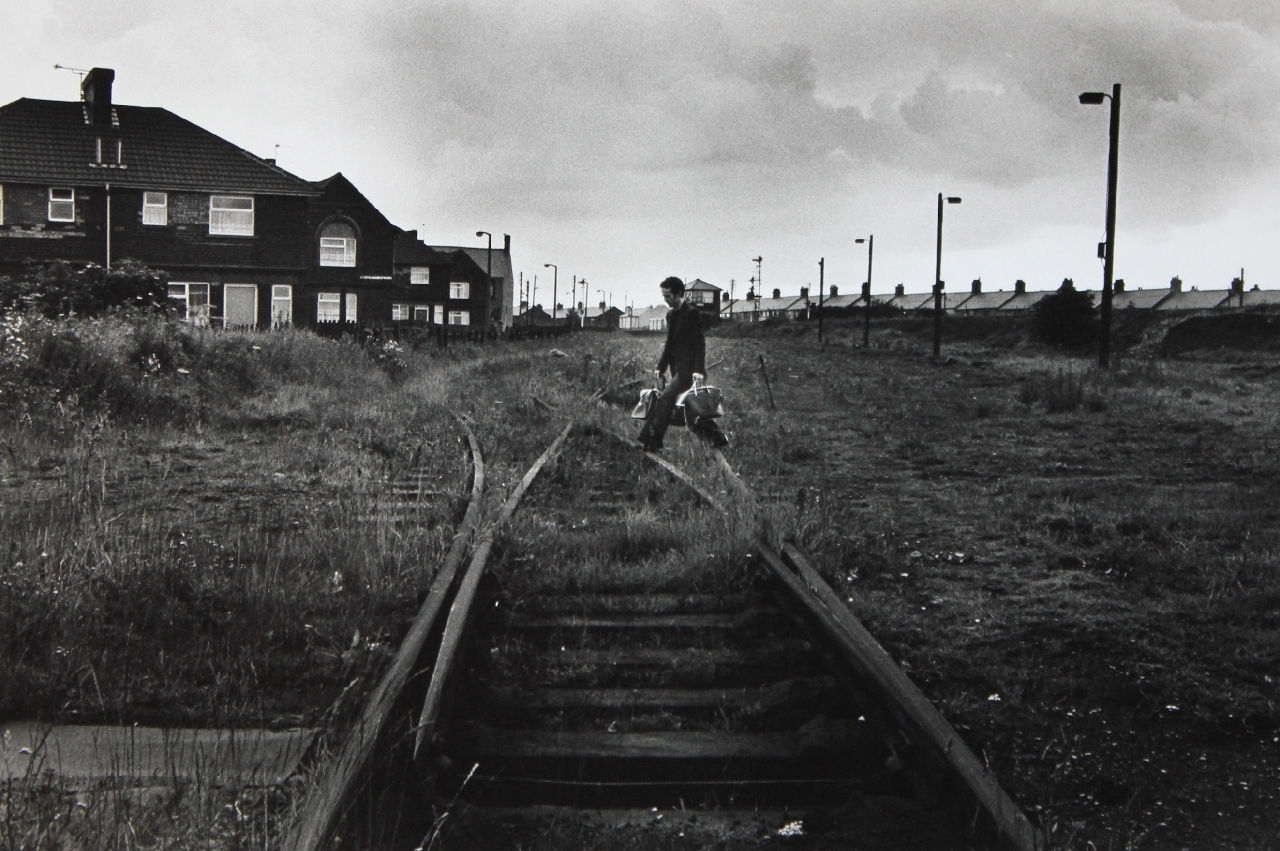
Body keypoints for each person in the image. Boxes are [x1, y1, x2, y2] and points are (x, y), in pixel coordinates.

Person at [637, 276, 729, 451]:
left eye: (668, 296)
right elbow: (669, 343)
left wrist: (699, 370)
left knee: (665, 399)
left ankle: (652, 441)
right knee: (690, 409)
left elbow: (699, 343)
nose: (665, 300)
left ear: (679, 293)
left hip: (690, 371)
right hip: (677, 370)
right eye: (663, 296)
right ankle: (718, 437)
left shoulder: (691, 313)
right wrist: (660, 368)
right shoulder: (671, 314)